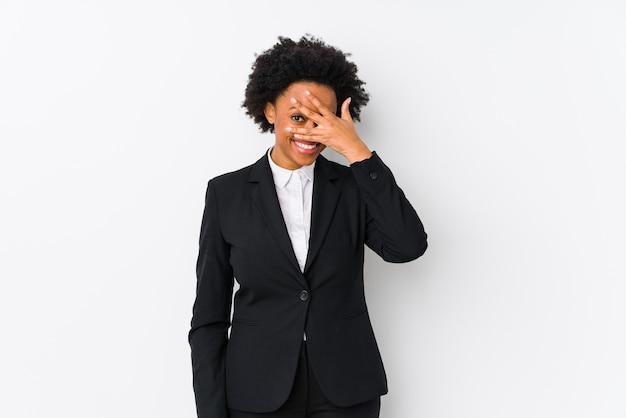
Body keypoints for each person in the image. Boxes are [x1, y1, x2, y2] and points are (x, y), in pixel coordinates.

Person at [189, 34, 428, 418]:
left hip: (345, 389)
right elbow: (208, 318)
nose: (309, 132)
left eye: (323, 121)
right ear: (269, 111)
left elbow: (407, 246)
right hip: (256, 391)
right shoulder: (226, 194)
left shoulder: (352, 187)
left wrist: (356, 152)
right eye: (298, 117)